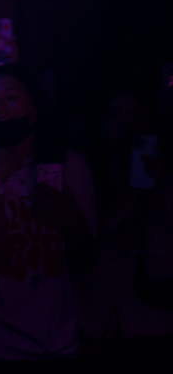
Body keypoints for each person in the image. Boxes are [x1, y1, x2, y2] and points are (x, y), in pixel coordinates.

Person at [0, 63, 97, 362]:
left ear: (35, 108)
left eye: (11, 98)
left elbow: (85, 264)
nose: (0, 108)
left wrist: (69, 216)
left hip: (58, 341)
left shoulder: (71, 163)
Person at [79, 91, 173, 341]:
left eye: (136, 117)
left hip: (154, 334)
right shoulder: (86, 182)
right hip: (92, 331)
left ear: (151, 124)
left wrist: (155, 198)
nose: (124, 127)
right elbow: (75, 272)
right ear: (102, 125)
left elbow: (163, 272)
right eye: (114, 117)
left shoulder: (166, 187)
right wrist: (117, 242)